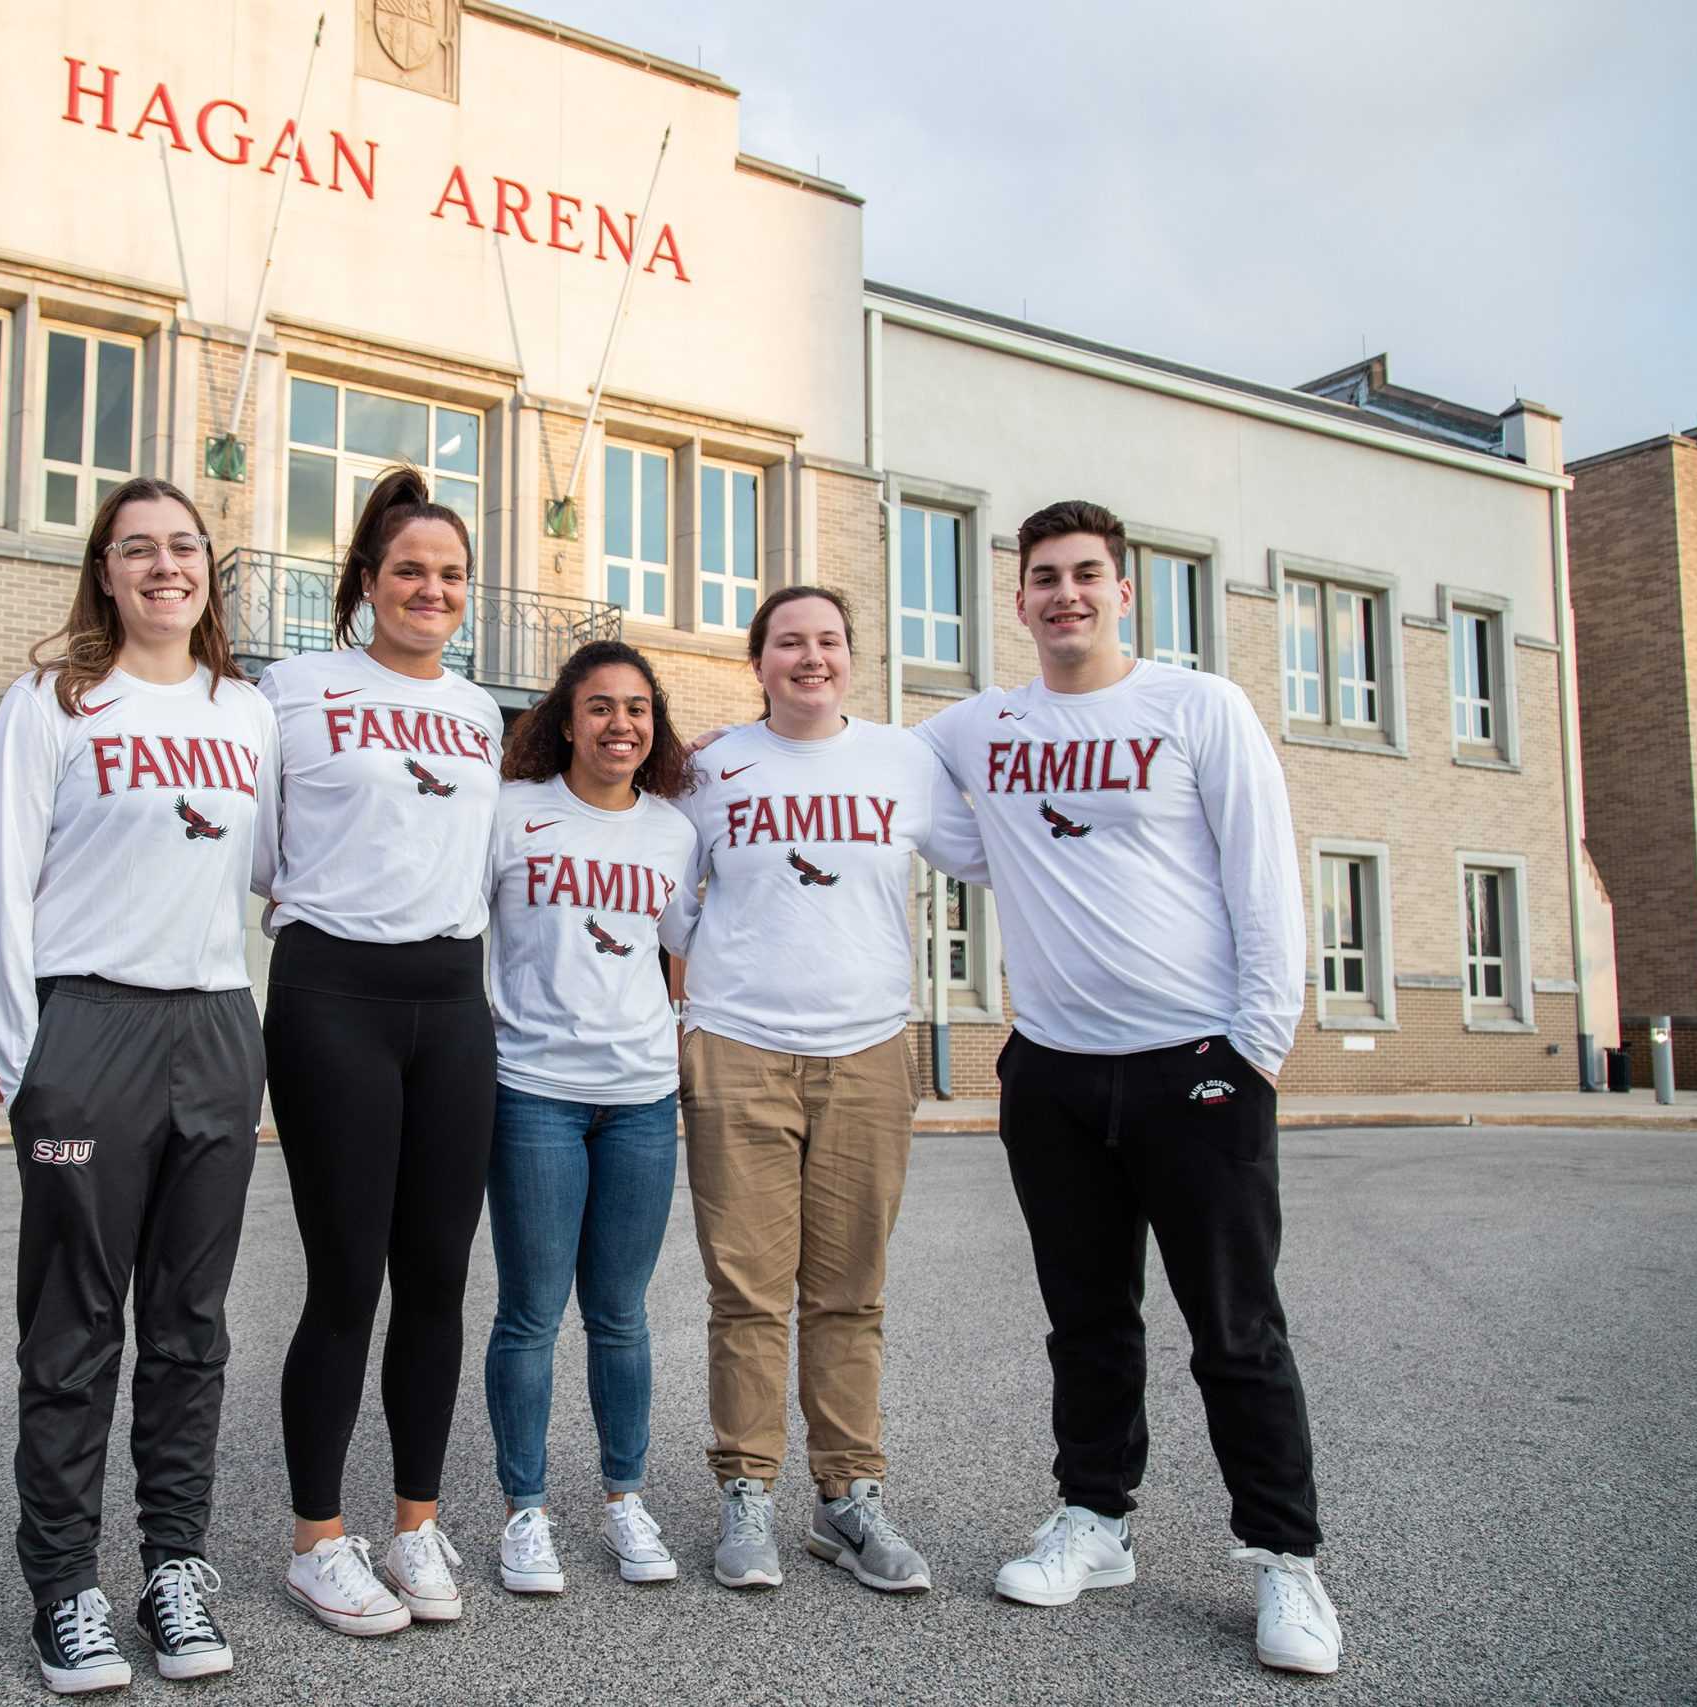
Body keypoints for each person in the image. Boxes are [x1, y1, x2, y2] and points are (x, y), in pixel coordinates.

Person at [912, 500, 1337, 1675]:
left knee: (1235, 1330)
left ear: (1124, 591)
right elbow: (884, 769)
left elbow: (1264, 877)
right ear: (1019, 599)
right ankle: (1095, 1521)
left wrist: (1253, 1049)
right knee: (1087, 1321)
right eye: (1044, 578)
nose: (1065, 596)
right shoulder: (984, 726)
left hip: (1195, 1065)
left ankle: (1285, 1562)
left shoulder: (1199, 706)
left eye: (1086, 575)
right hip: (1049, 1073)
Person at [0, 477, 276, 1693]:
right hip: (86, 1027)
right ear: (103, 572)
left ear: (210, 570)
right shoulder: (53, 702)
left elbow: (267, 870)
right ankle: (64, 1587)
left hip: (214, 1022)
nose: (165, 566)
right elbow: (2, 884)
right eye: (136, 549)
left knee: (191, 1328)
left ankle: (173, 1567)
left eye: (185, 547)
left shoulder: (247, 712)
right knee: (76, 1324)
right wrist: (23, 1067)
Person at [665, 585, 988, 1597]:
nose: (812, 658)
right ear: (756, 662)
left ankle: (846, 1497)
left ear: (853, 655)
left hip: (865, 1051)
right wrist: (690, 1015)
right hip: (738, 1047)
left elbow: (994, 851)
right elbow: (667, 905)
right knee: (748, 1291)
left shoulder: (904, 759)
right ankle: (747, 1491)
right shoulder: (711, 768)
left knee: (849, 1292)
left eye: (830, 642)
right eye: (789, 643)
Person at [259, 467, 505, 1637]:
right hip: (333, 992)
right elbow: (259, 855)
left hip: (453, 1004)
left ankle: (415, 1523)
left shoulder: (477, 715)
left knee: (441, 1280)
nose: (431, 589)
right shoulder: (296, 688)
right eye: (409, 569)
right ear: (366, 581)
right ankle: (317, 1538)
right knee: (348, 1275)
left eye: (450, 575)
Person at [480, 641, 701, 1596]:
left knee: (619, 1314)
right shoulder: (511, 814)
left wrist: (685, 1038)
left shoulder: (672, 833)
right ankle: (525, 1511)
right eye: (602, 707)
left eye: (639, 709)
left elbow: (685, 944)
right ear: (564, 720)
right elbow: (459, 927)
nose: (622, 724)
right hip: (533, 1089)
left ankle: (623, 1498)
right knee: (530, 1313)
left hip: (643, 1100)